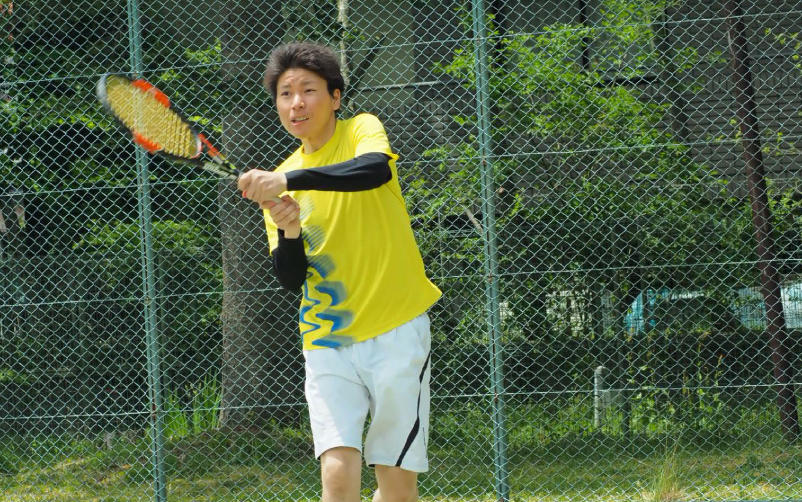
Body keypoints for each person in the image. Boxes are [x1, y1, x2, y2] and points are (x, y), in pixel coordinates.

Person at [237, 41, 441, 502]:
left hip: (396, 329)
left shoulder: (361, 131)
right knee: (336, 472)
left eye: (308, 90)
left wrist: (288, 181)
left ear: (335, 97)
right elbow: (291, 278)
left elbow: (373, 172)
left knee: (397, 485)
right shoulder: (279, 183)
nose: (297, 103)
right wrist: (289, 230)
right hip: (326, 339)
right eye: (286, 94)